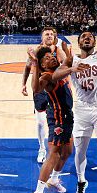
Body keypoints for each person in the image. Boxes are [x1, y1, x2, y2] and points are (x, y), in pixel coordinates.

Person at [52, 31, 97, 193]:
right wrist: (72, 69)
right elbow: (54, 76)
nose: (87, 38)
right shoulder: (72, 59)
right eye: (83, 36)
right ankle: (81, 181)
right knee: (80, 150)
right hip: (81, 110)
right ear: (79, 42)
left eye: (90, 36)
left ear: (95, 42)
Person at [27, 46, 88, 193]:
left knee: (68, 151)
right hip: (58, 119)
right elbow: (36, 88)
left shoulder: (59, 69)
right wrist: (34, 64)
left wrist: (64, 51)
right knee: (53, 154)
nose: (51, 58)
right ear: (42, 65)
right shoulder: (47, 76)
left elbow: (69, 60)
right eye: (46, 58)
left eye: (51, 55)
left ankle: (53, 179)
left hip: (68, 117)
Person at [21, 27, 67, 163]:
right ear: (42, 38)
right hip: (40, 89)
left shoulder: (58, 51)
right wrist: (23, 84)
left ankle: (58, 146)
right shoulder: (36, 52)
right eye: (46, 34)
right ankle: (42, 148)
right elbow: (27, 67)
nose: (49, 36)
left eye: (52, 34)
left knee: (59, 120)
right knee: (41, 122)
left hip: (56, 90)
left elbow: (66, 65)